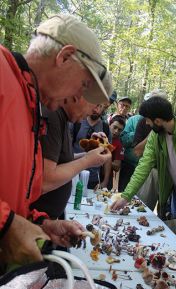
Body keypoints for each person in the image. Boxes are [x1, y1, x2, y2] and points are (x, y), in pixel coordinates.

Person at [0, 14, 112, 268]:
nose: (77, 97)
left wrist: (39, 223)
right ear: (63, 57)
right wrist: (6, 224)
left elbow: (15, 193)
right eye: (83, 84)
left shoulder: (31, 105)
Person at [111, 97, 176, 219]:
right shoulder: (155, 136)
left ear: (158, 121)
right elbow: (143, 166)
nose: (146, 123)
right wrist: (126, 197)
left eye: (148, 120)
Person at [31, 98, 111, 219]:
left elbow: (62, 161)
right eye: (96, 103)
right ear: (79, 93)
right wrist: (87, 161)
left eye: (101, 107)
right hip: (36, 216)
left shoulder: (65, 119)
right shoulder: (53, 113)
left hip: (46, 218)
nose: (95, 110)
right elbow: (45, 181)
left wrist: (88, 154)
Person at [73, 104, 112, 189]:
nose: (96, 109)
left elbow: (108, 156)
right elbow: (66, 153)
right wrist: (86, 155)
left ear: (103, 108)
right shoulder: (77, 122)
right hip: (73, 174)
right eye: (95, 105)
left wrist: (105, 181)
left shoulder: (105, 128)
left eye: (100, 106)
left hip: (93, 178)